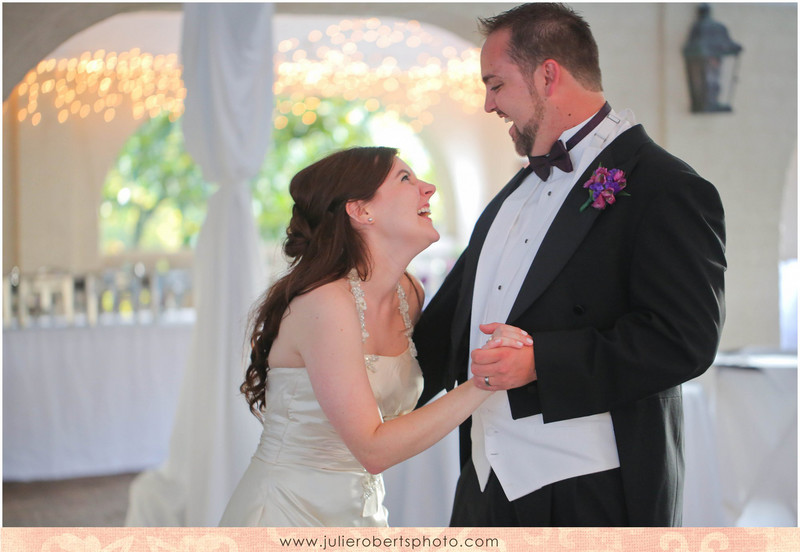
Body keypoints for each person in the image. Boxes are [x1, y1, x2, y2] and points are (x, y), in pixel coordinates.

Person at [413, 3, 726, 527]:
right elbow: (452, 323)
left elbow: (684, 339)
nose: (489, 104)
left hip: (594, 492)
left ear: (548, 74)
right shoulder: (515, 192)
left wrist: (541, 362)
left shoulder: (667, 187)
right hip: (485, 482)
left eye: (495, 84)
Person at [218, 146, 531, 527]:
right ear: (360, 211)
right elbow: (373, 448)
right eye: (406, 179)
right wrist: (487, 379)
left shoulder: (408, 294)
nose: (428, 188)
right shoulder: (326, 303)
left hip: (362, 513)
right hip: (288, 513)